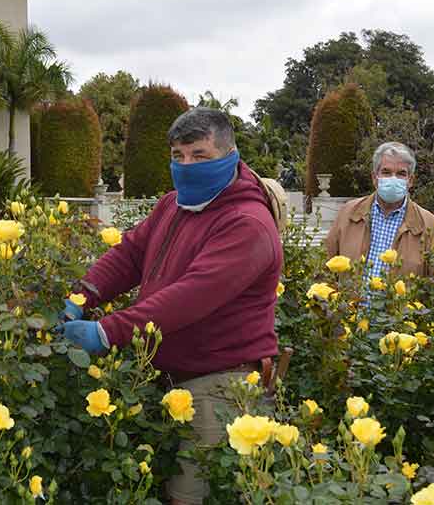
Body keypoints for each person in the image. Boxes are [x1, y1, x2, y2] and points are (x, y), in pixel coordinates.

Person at [58, 108, 283, 505]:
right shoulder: (174, 204)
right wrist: (81, 296)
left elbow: (190, 297)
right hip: (168, 378)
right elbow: (129, 255)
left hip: (219, 385)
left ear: (230, 156)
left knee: (189, 496)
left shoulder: (247, 222)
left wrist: (108, 331)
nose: (186, 166)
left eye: (199, 155)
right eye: (178, 156)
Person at [324, 141, 434, 287]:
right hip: (350, 314)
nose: (393, 179)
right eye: (386, 172)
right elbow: (327, 262)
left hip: (399, 317)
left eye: (401, 173)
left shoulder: (427, 222)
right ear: (375, 178)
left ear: (410, 180)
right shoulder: (349, 213)